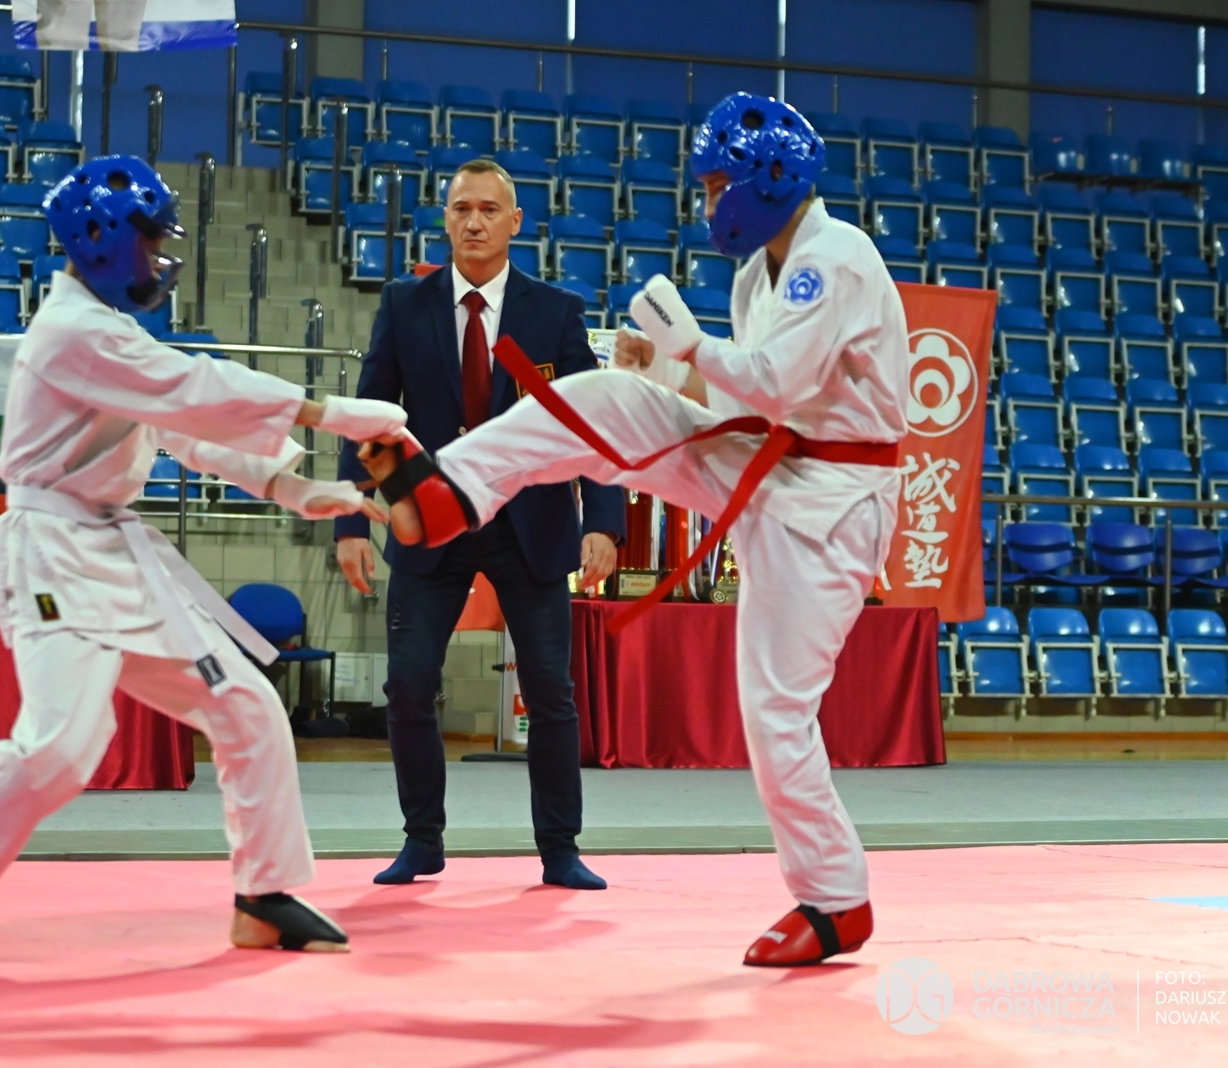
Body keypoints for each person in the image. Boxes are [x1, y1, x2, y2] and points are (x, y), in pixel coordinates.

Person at [359, 94, 908, 966]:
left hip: (833, 502)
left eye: (718, 184)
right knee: (608, 396)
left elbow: (773, 384)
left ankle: (836, 901)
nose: (708, 202)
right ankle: (452, 490)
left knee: (775, 711)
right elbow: (745, 397)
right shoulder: (757, 274)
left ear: (768, 180)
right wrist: (665, 373)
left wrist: (690, 349)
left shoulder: (833, 258)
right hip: (770, 462)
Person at [0, 156, 410, 954]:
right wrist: (327, 412)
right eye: (151, 241)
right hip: (52, 551)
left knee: (248, 707)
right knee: (64, 743)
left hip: (112, 550)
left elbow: (180, 428)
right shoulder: (73, 333)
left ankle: (264, 894)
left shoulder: (113, 335)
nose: (160, 257)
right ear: (103, 240)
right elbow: (192, 389)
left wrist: (295, 488)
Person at [335, 159, 625, 891]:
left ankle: (560, 849)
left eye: (489, 209)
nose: (474, 221)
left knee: (551, 692)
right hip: (432, 520)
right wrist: (349, 521)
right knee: (408, 685)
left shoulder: (555, 311)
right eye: (461, 208)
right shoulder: (405, 303)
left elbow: (589, 418)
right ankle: (421, 839)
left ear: (515, 222)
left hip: (532, 521)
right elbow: (370, 413)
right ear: (446, 217)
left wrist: (604, 520)